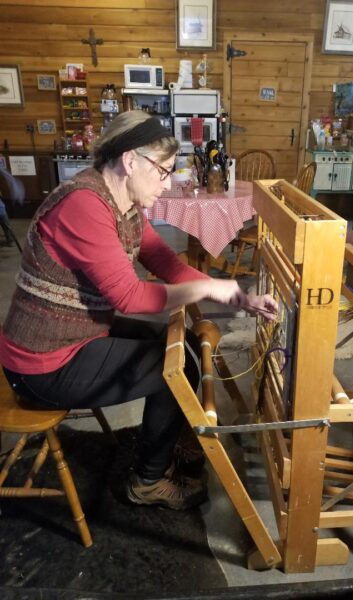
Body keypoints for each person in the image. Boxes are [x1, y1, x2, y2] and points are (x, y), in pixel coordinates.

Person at [0, 111, 278, 511]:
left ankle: (167, 442)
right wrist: (207, 286)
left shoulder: (123, 204)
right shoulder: (84, 204)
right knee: (176, 366)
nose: (167, 183)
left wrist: (238, 298)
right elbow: (128, 297)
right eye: (163, 171)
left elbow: (166, 263)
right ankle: (147, 481)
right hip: (41, 364)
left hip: (76, 337)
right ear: (130, 161)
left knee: (170, 345)